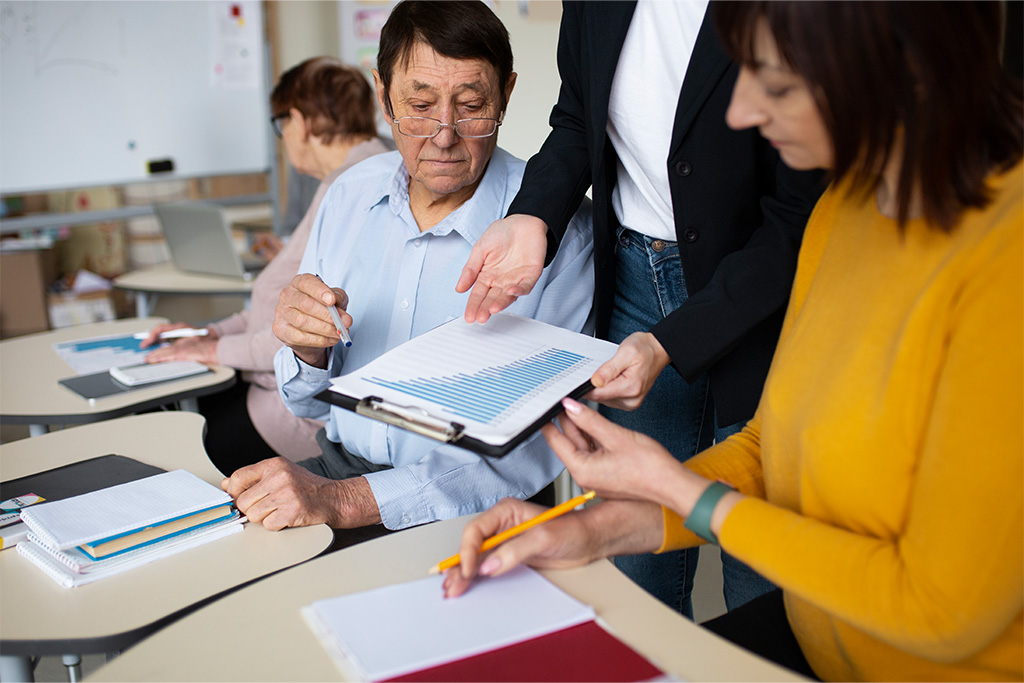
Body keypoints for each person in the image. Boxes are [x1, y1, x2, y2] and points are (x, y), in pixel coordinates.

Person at [445, 2, 1023, 681]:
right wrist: (596, 526)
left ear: (901, 74)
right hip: (818, 639)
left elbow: (939, 611)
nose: (742, 111)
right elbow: (771, 447)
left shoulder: (1001, 269)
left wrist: (678, 489)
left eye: (775, 85)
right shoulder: (846, 211)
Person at [454, 1, 823, 617]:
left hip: (762, 287)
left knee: (759, 559)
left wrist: (673, 339)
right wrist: (532, 215)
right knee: (634, 561)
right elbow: (577, 116)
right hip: (632, 272)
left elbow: (799, 216)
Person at [220, 0, 594, 546]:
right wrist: (307, 350)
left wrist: (345, 502)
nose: (444, 135)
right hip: (335, 471)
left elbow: (529, 452)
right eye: (419, 106)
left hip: (478, 517)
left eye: (471, 106)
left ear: (507, 93)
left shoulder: (558, 232)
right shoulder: (350, 194)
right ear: (382, 93)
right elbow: (304, 402)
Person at [141, 57, 388, 474]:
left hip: (292, 410)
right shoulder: (355, 174)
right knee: (177, 406)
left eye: (281, 126)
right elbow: (280, 303)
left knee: (166, 437)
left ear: (299, 121)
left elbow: (303, 329)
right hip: (274, 388)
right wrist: (210, 332)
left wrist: (209, 348)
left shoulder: (353, 185)